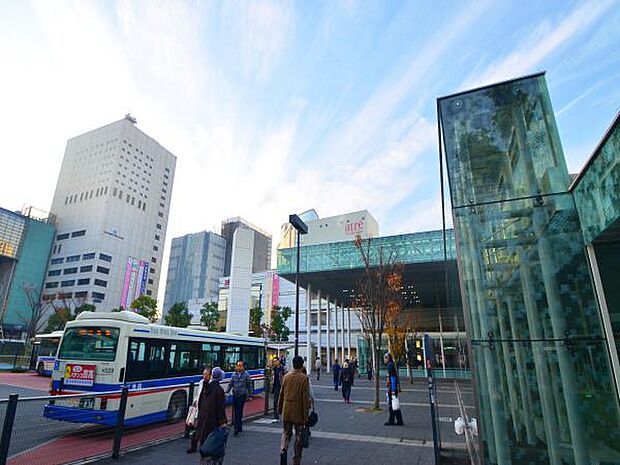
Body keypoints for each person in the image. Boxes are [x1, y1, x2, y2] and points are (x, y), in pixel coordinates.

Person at [278, 355, 311, 465]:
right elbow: (305, 399)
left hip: (286, 410)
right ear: (302, 365)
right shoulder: (304, 378)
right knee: (298, 437)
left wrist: (279, 408)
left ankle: (283, 451)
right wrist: (306, 416)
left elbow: (281, 394)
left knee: (286, 433)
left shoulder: (286, 376)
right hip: (298, 412)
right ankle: (296, 460)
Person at [196, 367, 228, 464]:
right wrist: (223, 422)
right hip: (212, 422)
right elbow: (220, 409)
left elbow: (200, 403)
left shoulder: (205, 387)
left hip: (203, 420)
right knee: (213, 446)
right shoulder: (219, 390)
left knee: (204, 444)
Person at [226, 360, 253, 435]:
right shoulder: (234, 374)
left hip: (242, 395)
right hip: (235, 394)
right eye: (237, 365)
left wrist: (250, 395)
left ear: (243, 367)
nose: (239, 367)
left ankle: (237, 426)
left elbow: (249, 385)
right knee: (235, 410)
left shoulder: (246, 375)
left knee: (239, 410)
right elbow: (230, 384)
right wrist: (227, 391)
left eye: (240, 366)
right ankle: (238, 426)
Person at [384, 353, 404, 426]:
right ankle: (398, 420)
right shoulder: (391, 365)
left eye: (385, 358)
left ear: (388, 358)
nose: (384, 360)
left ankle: (393, 420)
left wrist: (392, 390)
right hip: (392, 388)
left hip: (392, 389)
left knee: (392, 404)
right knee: (394, 404)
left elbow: (393, 378)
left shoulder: (390, 366)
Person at [272, 356, 286, 421]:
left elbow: (285, 376)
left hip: (281, 386)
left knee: (282, 401)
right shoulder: (274, 369)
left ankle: (281, 413)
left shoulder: (282, 368)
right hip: (275, 386)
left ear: (278, 361)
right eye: (273, 361)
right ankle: (276, 414)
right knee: (275, 401)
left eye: (275, 361)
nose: (274, 362)